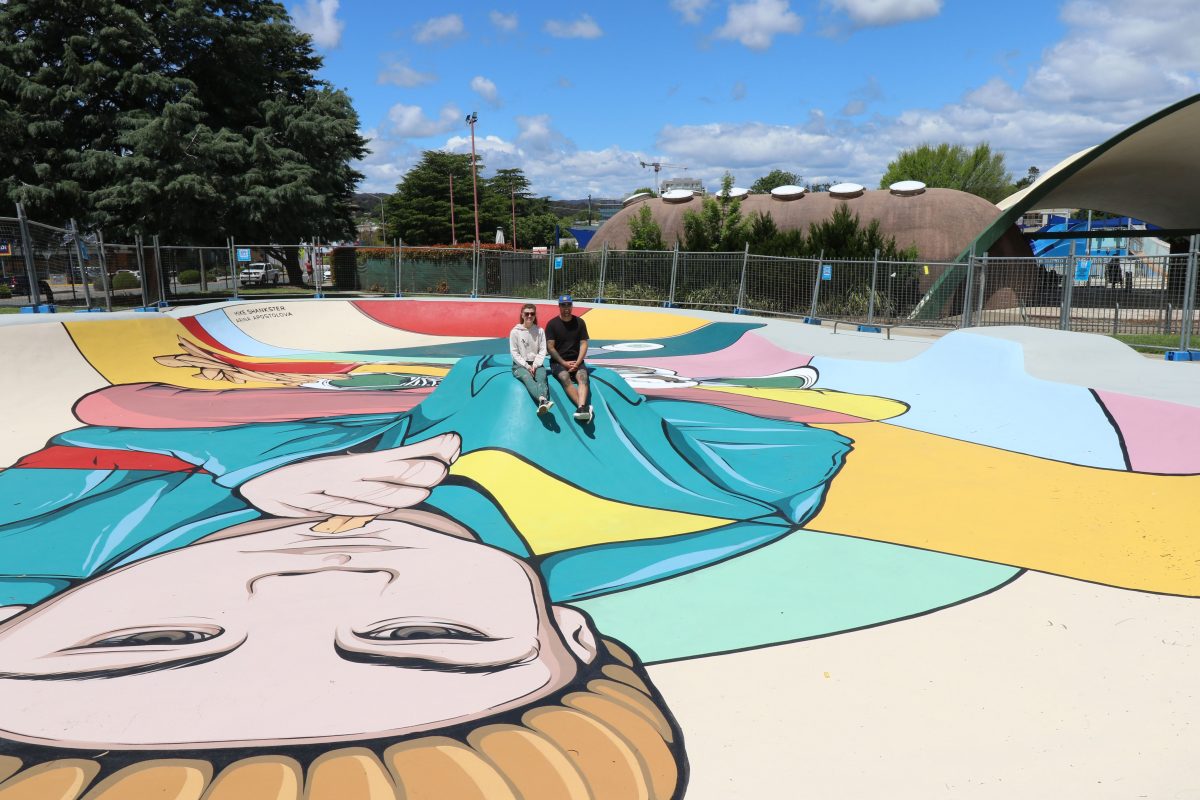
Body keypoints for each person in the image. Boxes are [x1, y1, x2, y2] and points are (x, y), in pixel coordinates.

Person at [0, 432, 687, 799]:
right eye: (426, 636)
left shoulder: (40, 525)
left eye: (152, 638)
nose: (295, 588)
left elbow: (103, 424)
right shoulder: (649, 520)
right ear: (571, 631)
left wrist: (237, 480)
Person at [546, 295, 592, 422]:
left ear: (572, 306)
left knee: (583, 376)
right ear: (559, 306)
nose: (566, 308)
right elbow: (550, 347)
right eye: (563, 305)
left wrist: (577, 362)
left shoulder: (580, 323)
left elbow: (584, 343)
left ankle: (582, 408)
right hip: (558, 362)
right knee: (564, 377)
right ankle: (584, 408)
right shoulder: (552, 324)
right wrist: (564, 363)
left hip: (576, 360)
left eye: (568, 305)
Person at [508, 302, 552, 414]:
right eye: (526, 313)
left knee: (541, 377)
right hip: (519, 365)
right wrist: (527, 366)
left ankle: (542, 401)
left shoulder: (540, 331)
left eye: (532, 314)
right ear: (522, 315)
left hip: (537, 363)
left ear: (534, 315)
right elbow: (514, 353)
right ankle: (543, 399)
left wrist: (535, 365)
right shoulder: (515, 332)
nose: (529, 316)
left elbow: (543, 350)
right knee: (527, 378)